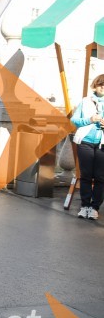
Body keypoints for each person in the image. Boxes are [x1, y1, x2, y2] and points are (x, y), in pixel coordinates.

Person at [70, 74, 104, 220]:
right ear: (95, 86)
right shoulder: (85, 101)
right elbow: (74, 120)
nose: (103, 87)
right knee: (86, 175)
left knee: (100, 177)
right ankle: (84, 206)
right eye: (100, 84)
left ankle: (95, 207)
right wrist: (89, 119)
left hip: (102, 144)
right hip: (85, 141)